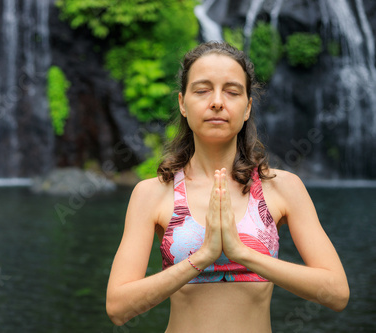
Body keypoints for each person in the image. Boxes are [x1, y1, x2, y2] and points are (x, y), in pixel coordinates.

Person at [105, 41, 349, 332]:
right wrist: (202, 257)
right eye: (202, 90)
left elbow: (336, 293)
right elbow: (118, 308)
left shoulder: (282, 188)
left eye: (232, 92)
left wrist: (242, 253)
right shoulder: (153, 193)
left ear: (247, 108)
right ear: (183, 103)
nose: (217, 102)